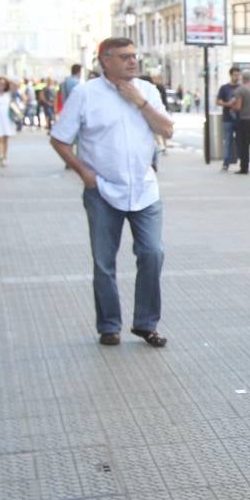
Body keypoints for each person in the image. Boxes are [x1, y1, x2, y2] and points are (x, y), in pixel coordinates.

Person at [49, 37, 175, 348]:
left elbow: (167, 130)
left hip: (144, 190)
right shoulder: (85, 94)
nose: (133, 62)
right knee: (104, 262)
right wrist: (84, 174)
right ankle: (109, 326)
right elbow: (59, 139)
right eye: (124, 57)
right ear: (105, 61)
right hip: (103, 191)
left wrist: (140, 102)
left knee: (152, 253)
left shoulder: (147, 91)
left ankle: (146, 323)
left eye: (134, 56)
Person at [216, 67, 242, 171]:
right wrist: (228, 104)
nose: (237, 77)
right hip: (227, 118)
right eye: (235, 75)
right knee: (227, 140)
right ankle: (226, 162)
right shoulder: (224, 88)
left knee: (241, 141)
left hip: (240, 118)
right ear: (231, 75)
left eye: (238, 75)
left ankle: (242, 163)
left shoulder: (241, 87)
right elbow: (218, 101)